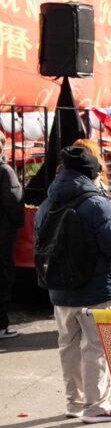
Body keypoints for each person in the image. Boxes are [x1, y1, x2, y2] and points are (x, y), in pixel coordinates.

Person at [34, 142, 111, 421]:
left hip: (60, 290)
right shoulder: (96, 203)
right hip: (97, 290)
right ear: (91, 174)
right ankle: (96, 405)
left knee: (68, 345)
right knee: (96, 347)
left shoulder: (47, 203)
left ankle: (74, 403)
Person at [0, 130, 22, 339]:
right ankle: (1, 325)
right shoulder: (4, 171)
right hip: (2, 236)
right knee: (3, 278)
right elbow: (14, 203)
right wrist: (18, 223)